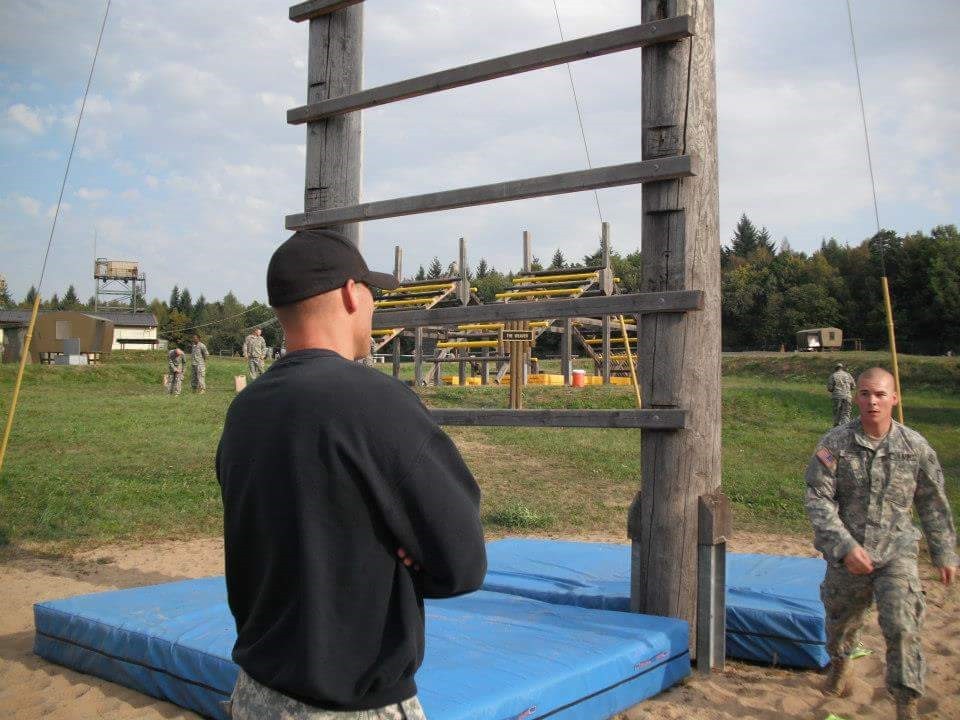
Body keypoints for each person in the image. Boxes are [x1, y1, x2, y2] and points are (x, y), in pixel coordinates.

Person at [217, 229, 487, 719]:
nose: (373, 306)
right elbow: (463, 559)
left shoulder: (245, 409)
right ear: (348, 292)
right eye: (371, 293)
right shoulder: (376, 402)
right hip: (354, 704)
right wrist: (407, 558)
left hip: (255, 693)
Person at [805, 367, 957, 720]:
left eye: (880, 394)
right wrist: (843, 546)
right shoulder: (835, 444)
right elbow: (817, 498)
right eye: (865, 394)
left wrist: (944, 552)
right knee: (840, 624)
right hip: (849, 554)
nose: (872, 401)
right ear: (856, 397)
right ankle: (841, 665)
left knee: (903, 626)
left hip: (896, 553)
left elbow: (932, 502)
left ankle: (906, 704)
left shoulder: (914, 447)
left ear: (894, 398)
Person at [826, 362, 856, 426]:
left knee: (837, 413)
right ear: (842, 368)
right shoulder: (848, 375)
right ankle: (846, 427)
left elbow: (830, 388)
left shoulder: (833, 375)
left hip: (837, 396)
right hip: (847, 396)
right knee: (846, 413)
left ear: (835, 368)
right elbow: (853, 386)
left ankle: (837, 428)